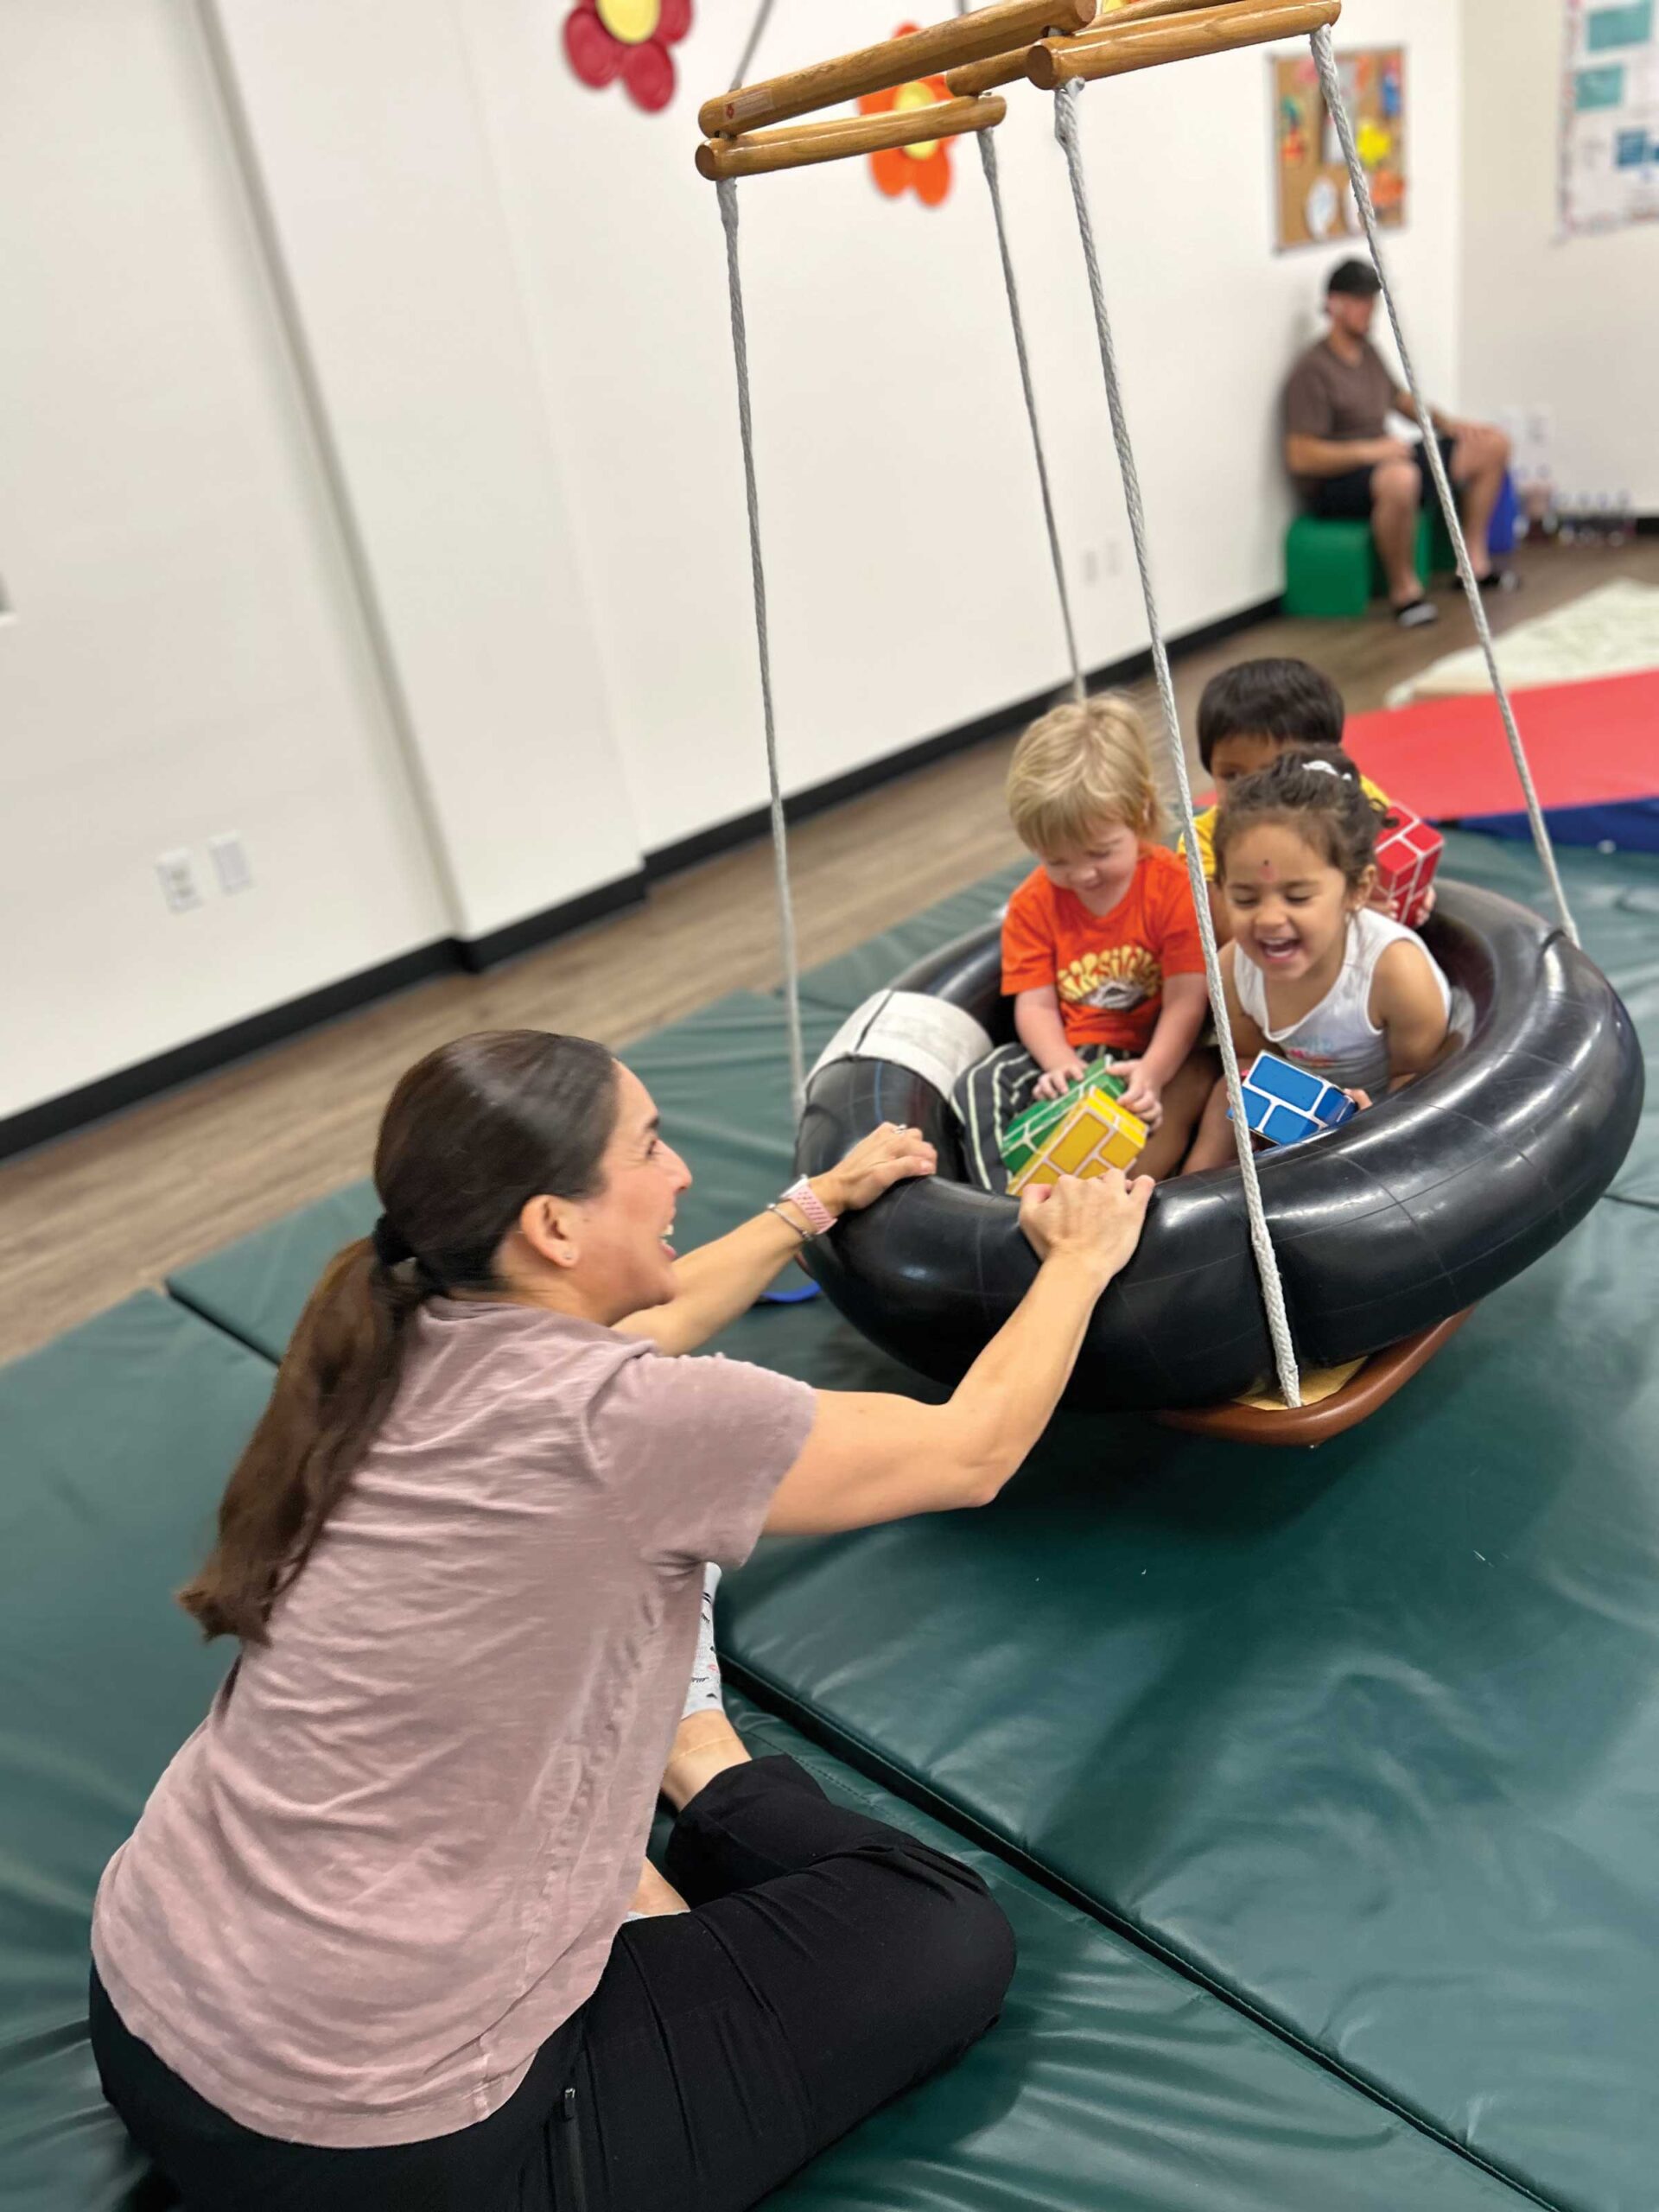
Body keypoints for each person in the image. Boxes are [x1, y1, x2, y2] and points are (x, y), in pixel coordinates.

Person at [87, 1028, 1153, 2212]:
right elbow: (972, 1450)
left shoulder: (395, 1333)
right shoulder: (633, 1428)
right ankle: (699, 1754)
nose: (681, 1169)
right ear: (553, 1225)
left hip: (146, 2014)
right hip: (382, 2150)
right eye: (649, 1147)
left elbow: (651, 1321)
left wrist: (815, 1204)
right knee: (942, 1933)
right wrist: (1080, 1258)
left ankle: (660, 1791)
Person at [954, 695, 1213, 1185]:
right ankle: (999, 1205)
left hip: (1150, 1057)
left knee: (1203, 1082)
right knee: (983, 1080)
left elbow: (1187, 999)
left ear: (1140, 812)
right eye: (1057, 861)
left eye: (1100, 853)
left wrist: (1153, 1072)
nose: (1082, 875)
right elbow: (1035, 1005)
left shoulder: (1171, 886)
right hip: (1070, 1054)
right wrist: (1061, 1067)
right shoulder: (1033, 903)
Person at [1182, 747, 1452, 1173]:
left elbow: (1418, 1079)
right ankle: (1189, 1195)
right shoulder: (1233, 972)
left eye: (1298, 897)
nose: (1270, 919)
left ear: (1357, 890)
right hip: (1305, 1102)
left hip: (1380, 1106)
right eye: (1246, 898)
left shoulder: (1394, 972)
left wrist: (1371, 1123)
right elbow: (1257, 1063)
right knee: (1226, 1094)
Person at [1283, 258, 1516, 628]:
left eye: (1372, 300)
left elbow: (1399, 399)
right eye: (1360, 301)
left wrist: (1448, 424)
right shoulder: (1312, 370)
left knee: (1492, 444)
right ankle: (1405, 592)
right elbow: (1301, 456)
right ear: (1334, 305)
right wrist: (1370, 452)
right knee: (1401, 477)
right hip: (1339, 482)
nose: (1369, 309)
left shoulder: (1368, 354)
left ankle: (1472, 565)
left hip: (1390, 458)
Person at [1179, 657, 1399, 943]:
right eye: (1231, 776)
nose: (1249, 793)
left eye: (1273, 773)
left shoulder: (1351, 797)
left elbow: (1395, 867)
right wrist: (1343, 912)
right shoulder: (1201, 839)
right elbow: (1231, 934)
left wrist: (1414, 895)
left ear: (1323, 766)